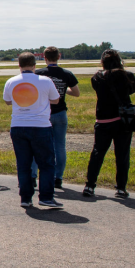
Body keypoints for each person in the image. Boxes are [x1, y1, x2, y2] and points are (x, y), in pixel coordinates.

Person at [3, 53, 63, 208]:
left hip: (18, 125)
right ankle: (46, 197)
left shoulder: (11, 81)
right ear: (34, 65)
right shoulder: (45, 81)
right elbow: (56, 99)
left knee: (23, 164)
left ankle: (25, 198)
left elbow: (8, 101)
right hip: (40, 126)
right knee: (46, 163)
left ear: (19, 65)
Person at [84, 49, 135, 199]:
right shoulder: (127, 76)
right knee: (122, 155)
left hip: (103, 120)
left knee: (97, 153)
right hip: (122, 120)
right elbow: (132, 90)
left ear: (103, 62)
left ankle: (89, 185)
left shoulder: (97, 77)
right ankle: (121, 188)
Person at [31, 46, 80, 188]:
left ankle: (33, 175)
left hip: (43, 114)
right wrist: (63, 90)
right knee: (59, 146)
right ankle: (58, 177)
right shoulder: (66, 74)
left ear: (44, 57)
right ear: (59, 56)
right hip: (60, 113)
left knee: (36, 145)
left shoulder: (38, 73)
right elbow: (76, 93)